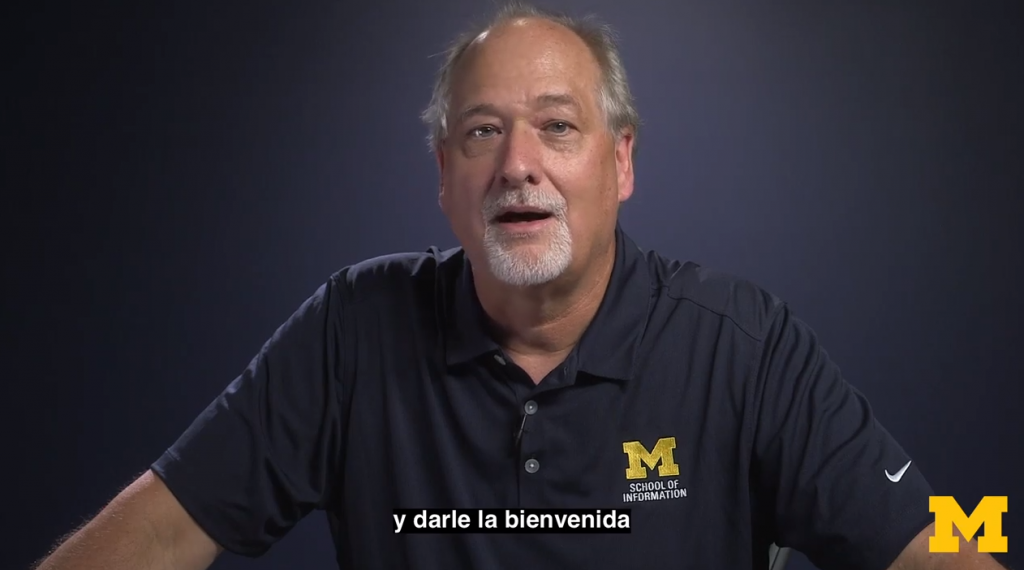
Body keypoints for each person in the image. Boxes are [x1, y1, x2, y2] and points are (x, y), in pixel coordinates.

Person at [33, 3, 1006, 570]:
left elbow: (937, 549)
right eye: (483, 132)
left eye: (557, 126)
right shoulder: (352, 332)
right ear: (444, 176)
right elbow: (146, 543)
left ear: (621, 163)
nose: (517, 166)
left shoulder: (742, 344)